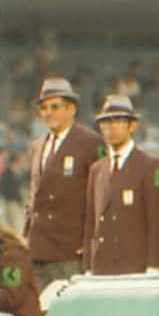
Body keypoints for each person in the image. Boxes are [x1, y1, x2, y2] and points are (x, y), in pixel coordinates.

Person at [25, 77, 103, 291]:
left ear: (71, 109)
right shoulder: (38, 146)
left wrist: (89, 242)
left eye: (55, 107)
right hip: (38, 245)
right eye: (44, 108)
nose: (48, 113)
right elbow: (34, 194)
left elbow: (100, 196)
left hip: (69, 247)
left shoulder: (90, 143)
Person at [83, 95, 159, 275]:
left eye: (118, 121)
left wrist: (154, 265)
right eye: (106, 122)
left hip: (135, 267)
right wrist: (88, 266)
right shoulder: (97, 169)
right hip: (102, 268)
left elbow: (158, 221)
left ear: (132, 126)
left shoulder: (152, 166)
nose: (111, 127)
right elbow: (91, 222)